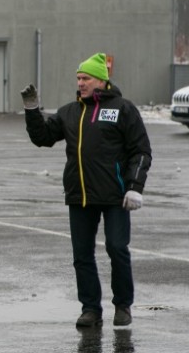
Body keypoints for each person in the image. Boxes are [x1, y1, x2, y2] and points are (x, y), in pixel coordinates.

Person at [20, 52, 152, 328]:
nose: (80, 83)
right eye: (78, 78)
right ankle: (90, 309)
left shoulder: (123, 109)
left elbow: (140, 151)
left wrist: (134, 187)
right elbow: (42, 138)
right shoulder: (70, 112)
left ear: (101, 81)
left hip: (116, 196)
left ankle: (123, 306)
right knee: (82, 255)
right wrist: (32, 109)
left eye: (86, 78)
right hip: (79, 195)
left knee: (117, 248)